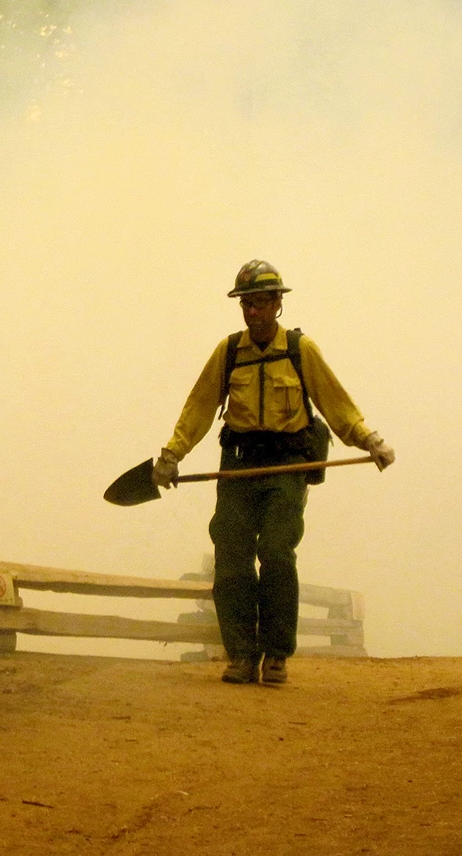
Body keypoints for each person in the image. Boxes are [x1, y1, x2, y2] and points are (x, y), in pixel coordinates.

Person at [152, 259, 395, 685]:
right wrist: (172, 455)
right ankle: (242, 654)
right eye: (247, 303)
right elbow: (199, 408)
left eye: (262, 302)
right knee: (231, 558)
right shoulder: (228, 353)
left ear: (278, 303)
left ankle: (277, 655)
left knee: (278, 554)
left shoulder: (300, 351)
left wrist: (369, 440)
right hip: (239, 465)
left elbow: (336, 404)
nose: (254, 311)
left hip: (288, 465)